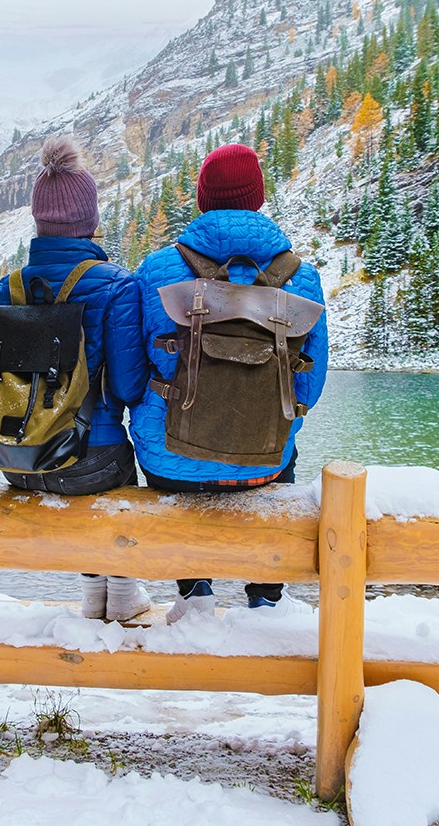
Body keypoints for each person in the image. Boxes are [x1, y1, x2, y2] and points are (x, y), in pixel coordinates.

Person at [129, 143, 328, 622]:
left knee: (164, 443)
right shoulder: (302, 279)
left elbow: (132, 372)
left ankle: (195, 593)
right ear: (257, 198)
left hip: (170, 464)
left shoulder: (157, 270)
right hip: (263, 462)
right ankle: (266, 597)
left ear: (202, 199)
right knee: (283, 454)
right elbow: (310, 386)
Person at [0, 138, 152, 622]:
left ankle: (94, 594)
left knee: (83, 473)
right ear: (91, 220)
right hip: (88, 462)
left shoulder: (6, 287)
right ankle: (120, 593)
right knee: (110, 467)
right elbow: (126, 387)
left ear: (37, 221)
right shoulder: (117, 284)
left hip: (17, 460)